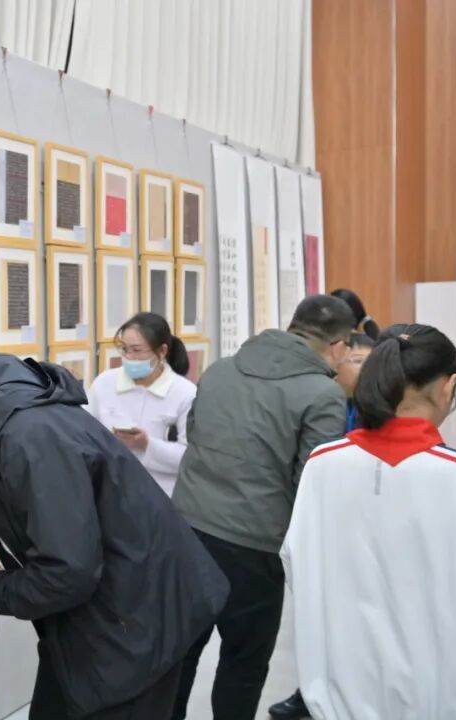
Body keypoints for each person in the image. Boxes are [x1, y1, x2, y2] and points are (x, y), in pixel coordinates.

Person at [0, 300, 229, 720]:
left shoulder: (28, 435)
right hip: (107, 617)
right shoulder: (1, 411)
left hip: (138, 624)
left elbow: (69, 573)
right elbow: (14, 492)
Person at [169, 294, 356, 720]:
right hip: (254, 545)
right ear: (339, 345)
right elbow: (313, 480)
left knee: (179, 653)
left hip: (187, 530)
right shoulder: (322, 393)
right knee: (244, 662)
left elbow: (195, 435)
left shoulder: (219, 370)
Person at [282, 324, 456, 718]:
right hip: (440, 699)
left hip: (338, 696)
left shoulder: (322, 466)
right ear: (448, 387)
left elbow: (298, 569)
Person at [268, 329, 376, 720]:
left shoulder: (375, 416)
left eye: (369, 363)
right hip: (324, 527)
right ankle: (312, 691)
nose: (362, 371)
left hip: (362, 529)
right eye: (355, 360)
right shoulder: (319, 404)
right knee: (323, 618)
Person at [87, 312, 196, 496]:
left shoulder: (185, 393)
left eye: (136, 350)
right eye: (124, 349)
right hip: (111, 493)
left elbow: (191, 458)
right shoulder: (104, 383)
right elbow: (84, 434)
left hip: (163, 495)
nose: (129, 357)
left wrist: (147, 444)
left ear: (162, 351)